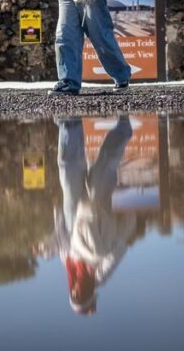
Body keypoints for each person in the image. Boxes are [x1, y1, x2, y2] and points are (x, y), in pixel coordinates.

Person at [50, 116, 137, 314]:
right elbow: (119, 247)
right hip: (98, 217)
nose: (76, 291)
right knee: (102, 169)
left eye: (74, 295)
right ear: (89, 294)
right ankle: (123, 129)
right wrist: (126, 220)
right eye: (80, 296)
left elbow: (62, 243)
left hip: (73, 223)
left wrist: (56, 216)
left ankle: (70, 124)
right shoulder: (101, 275)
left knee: (67, 166)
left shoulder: (69, 268)